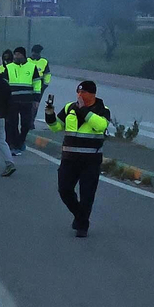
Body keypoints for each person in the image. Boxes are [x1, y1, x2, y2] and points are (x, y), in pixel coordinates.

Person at [47, 82, 110, 238]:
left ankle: (82, 225)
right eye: (78, 92)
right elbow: (56, 127)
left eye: (84, 93)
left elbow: (101, 126)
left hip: (91, 160)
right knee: (64, 190)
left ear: (92, 94)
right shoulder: (69, 107)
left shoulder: (102, 109)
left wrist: (84, 110)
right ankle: (80, 217)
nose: (80, 96)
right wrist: (50, 115)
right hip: (69, 159)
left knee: (87, 194)